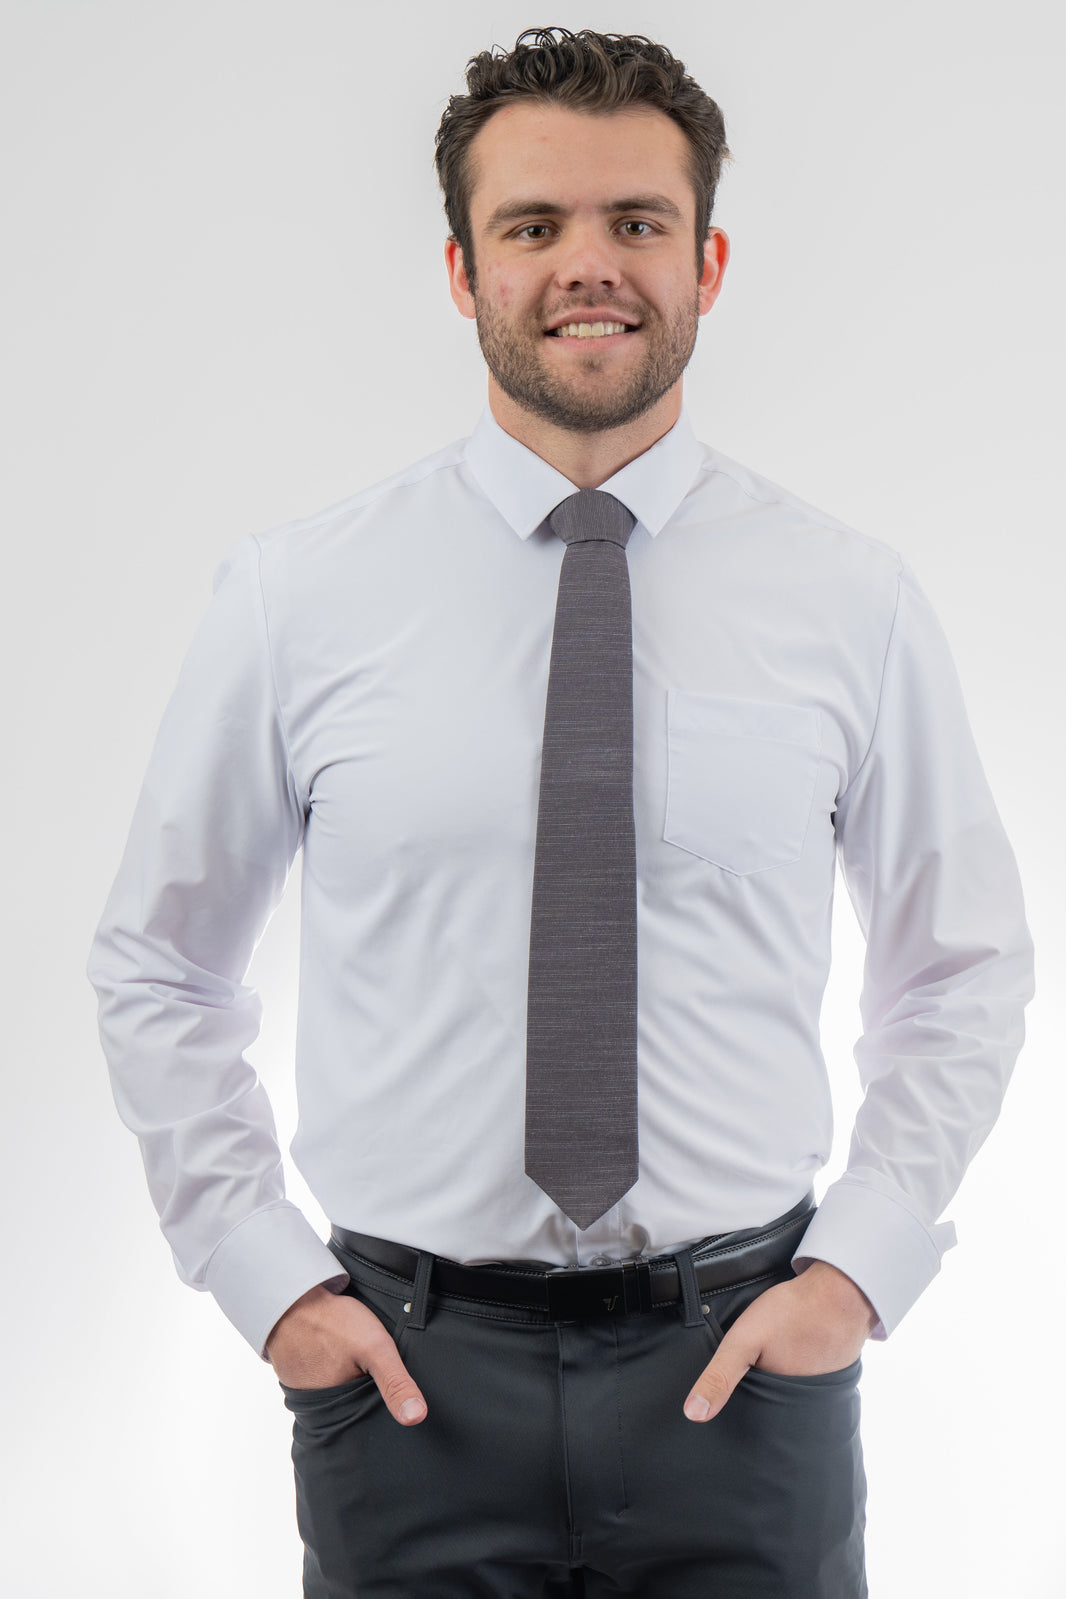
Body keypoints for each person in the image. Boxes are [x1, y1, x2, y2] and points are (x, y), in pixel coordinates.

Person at [86, 25, 1034, 1599]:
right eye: (532, 227)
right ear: (462, 272)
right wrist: (270, 1287)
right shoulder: (294, 598)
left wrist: (856, 1275)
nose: (587, 267)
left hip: (745, 1380)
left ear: (706, 260)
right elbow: (160, 965)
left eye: (635, 225)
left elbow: (960, 968)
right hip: (402, 1387)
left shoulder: (849, 600)